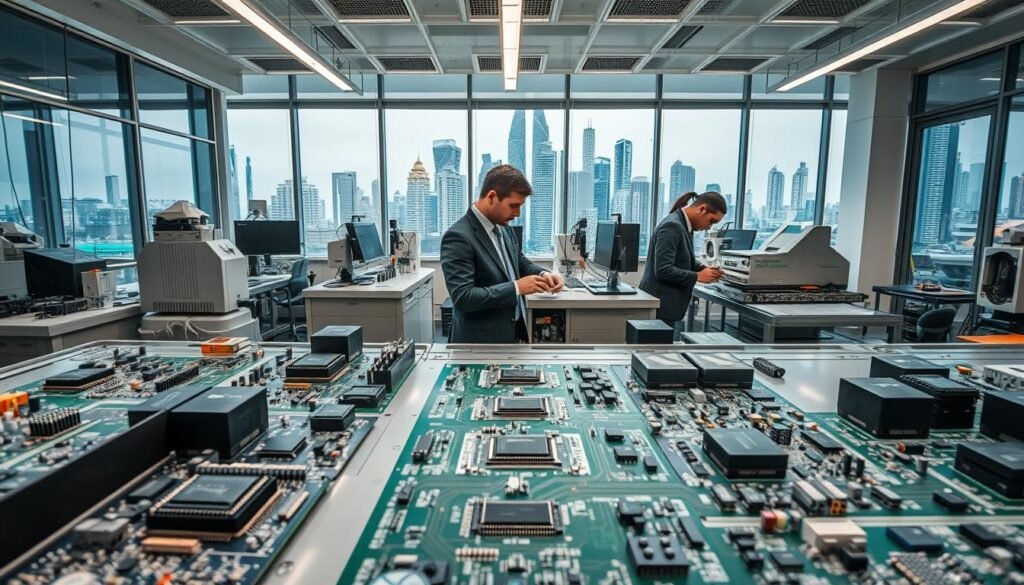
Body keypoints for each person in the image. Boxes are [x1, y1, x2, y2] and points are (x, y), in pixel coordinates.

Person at [441, 165, 564, 343]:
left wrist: (545, 274)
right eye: (513, 206)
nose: (517, 213)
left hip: (513, 332)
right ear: (492, 197)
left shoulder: (503, 227)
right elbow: (463, 297)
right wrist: (516, 287)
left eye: (520, 206)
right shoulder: (458, 237)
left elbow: (519, 262)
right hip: (479, 342)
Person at [638, 191, 727, 338]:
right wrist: (698, 276)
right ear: (702, 209)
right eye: (711, 221)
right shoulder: (673, 227)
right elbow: (663, 269)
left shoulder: (684, 226)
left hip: (666, 307)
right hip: (661, 307)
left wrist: (703, 268)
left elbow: (682, 259)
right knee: (659, 355)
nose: (709, 227)